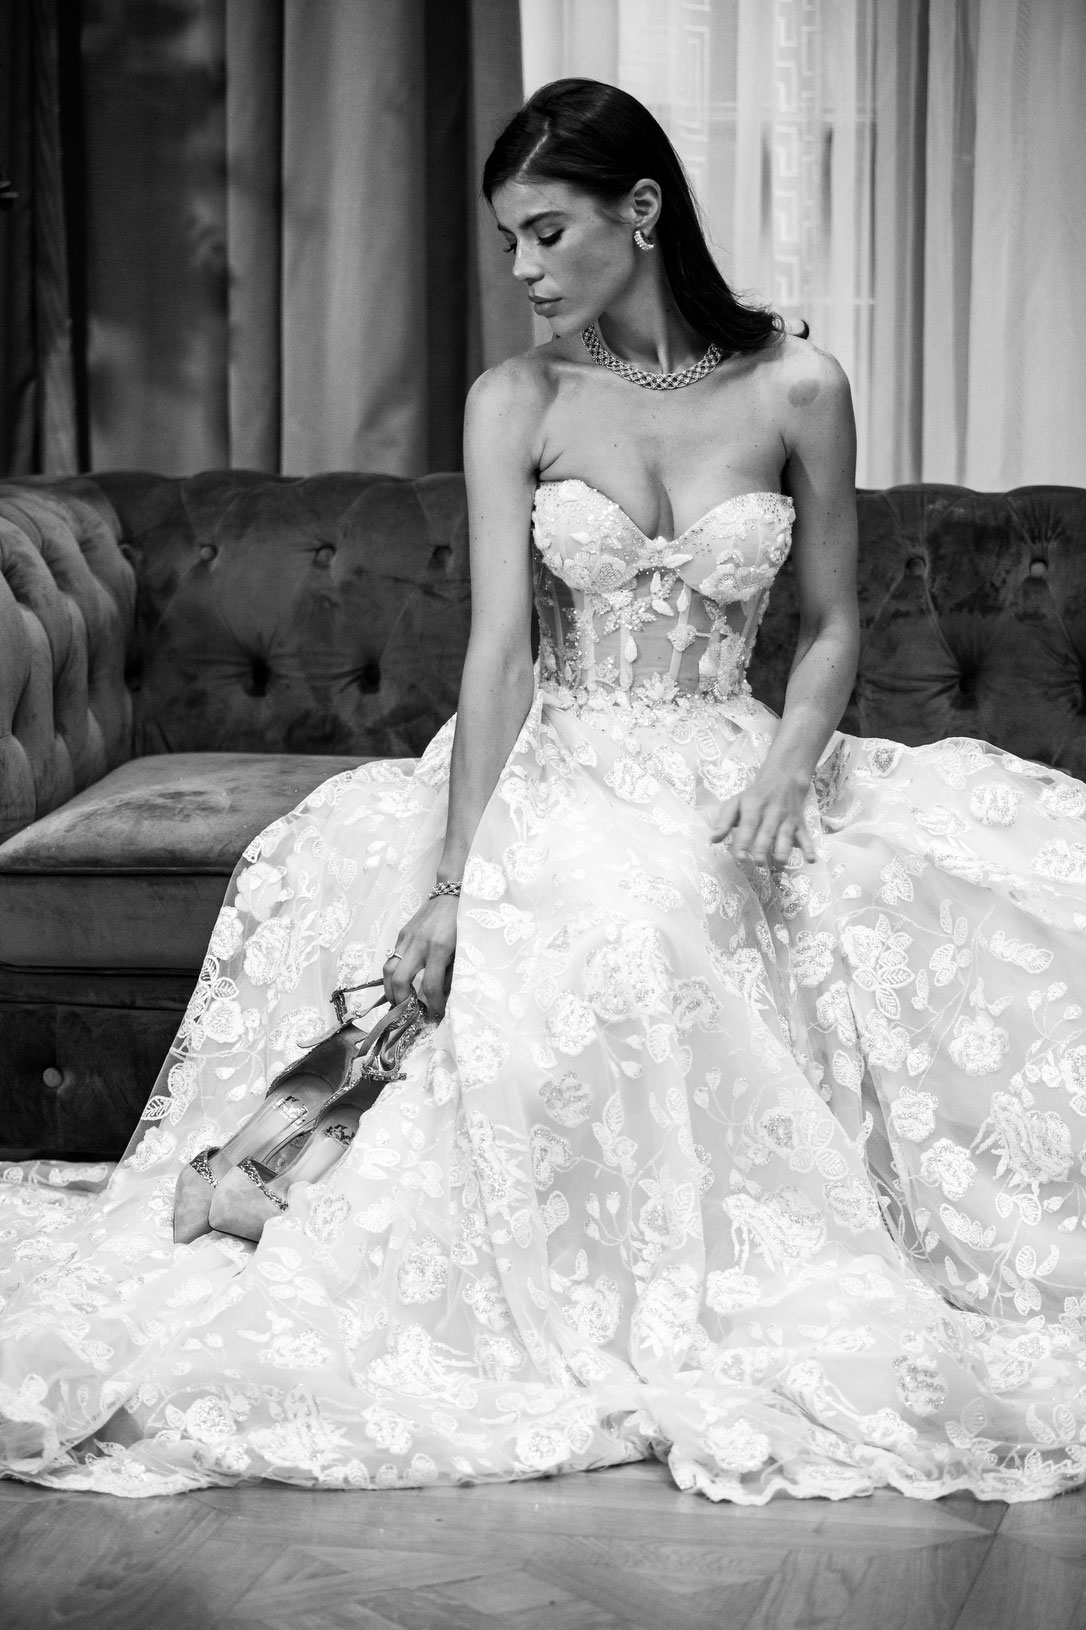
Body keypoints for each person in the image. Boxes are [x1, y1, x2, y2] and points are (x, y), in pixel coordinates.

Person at [1, 77, 1086, 1504]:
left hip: (731, 753)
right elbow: (502, 653)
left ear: (641, 211)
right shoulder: (516, 398)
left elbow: (831, 627)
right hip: (555, 756)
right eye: (507, 238)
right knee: (616, 920)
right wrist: (453, 881)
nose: (521, 268)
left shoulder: (797, 387)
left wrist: (784, 771)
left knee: (996, 896)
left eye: (547, 232)